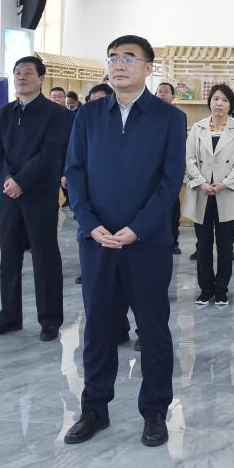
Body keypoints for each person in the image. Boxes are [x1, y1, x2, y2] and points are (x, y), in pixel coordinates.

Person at [63, 35, 186, 446]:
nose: (119, 64)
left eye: (129, 58)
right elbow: (75, 173)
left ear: (148, 68)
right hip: (97, 240)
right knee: (98, 327)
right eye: (113, 57)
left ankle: (155, 411)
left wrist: (138, 228)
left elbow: (170, 181)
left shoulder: (168, 118)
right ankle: (94, 409)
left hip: (146, 242)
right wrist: (89, 223)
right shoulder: (89, 115)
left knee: (152, 328)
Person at [0, 55, 68, 342]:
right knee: (8, 256)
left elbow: (50, 153)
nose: (21, 77)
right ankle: (9, 317)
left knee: (44, 257)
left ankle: (50, 319)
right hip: (10, 195)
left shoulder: (55, 113)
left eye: (28, 72)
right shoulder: (4, 112)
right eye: (17, 72)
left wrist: (22, 181)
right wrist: (8, 179)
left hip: (40, 194)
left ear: (41, 79)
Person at [185, 83, 234, 306]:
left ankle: (221, 290)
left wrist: (224, 183)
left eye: (225, 100)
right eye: (216, 99)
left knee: (226, 246)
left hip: (225, 193)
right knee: (203, 244)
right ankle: (206, 289)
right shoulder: (198, 127)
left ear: (231, 104)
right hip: (202, 193)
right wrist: (201, 182)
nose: (219, 103)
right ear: (209, 102)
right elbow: (189, 158)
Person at [74, 82, 113, 286]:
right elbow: (75, 164)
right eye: (92, 101)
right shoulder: (84, 119)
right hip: (90, 202)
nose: (96, 105)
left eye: (101, 101)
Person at [155, 82, 184, 256]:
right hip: (150, 169)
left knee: (172, 206)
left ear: (173, 97)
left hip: (170, 168)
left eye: (166, 92)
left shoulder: (179, 116)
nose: (162, 94)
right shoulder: (148, 115)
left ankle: (173, 241)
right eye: (159, 91)